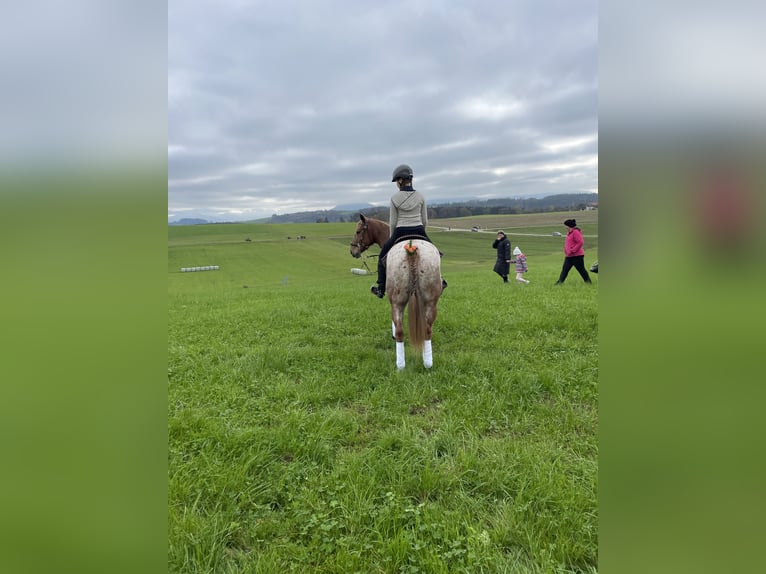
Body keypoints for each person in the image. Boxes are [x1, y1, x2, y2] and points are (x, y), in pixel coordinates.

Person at [370, 164, 447, 298]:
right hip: (419, 229)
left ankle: (381, 288)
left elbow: (393, 222)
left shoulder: (394, 198)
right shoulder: (421, 196)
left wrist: (392, 237)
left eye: (396, 182)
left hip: (400, 231)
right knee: (436, 253)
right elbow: (425, 220)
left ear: (400, 181)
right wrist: (421, 233)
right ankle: (440, 281)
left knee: (382, 256)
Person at [555, 219, 592, 284]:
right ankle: (560, 282)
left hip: (577, 256)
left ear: (569, 226)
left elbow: (580, 242)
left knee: (581, 270)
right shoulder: (569, 233)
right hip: (569, 256)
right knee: (565, 270)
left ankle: (588, 282)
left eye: (565, 225)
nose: (564, 227)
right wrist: (566, 251)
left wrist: (572, 250)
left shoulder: (575, 232)